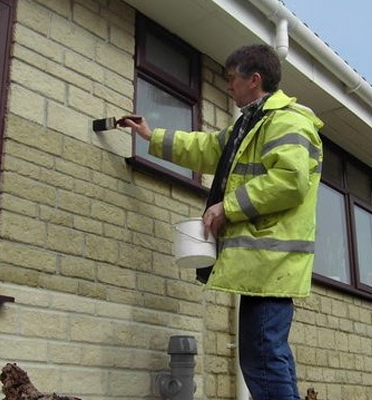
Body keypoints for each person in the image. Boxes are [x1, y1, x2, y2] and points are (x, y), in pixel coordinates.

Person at [124, 44, 323, 400]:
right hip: (262, 265)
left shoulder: (288, 121)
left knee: (262, 357)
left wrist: (226, 207)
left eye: (232, 79)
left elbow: (290, 181)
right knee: (268, 355)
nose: (228, 86)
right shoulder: (249, 124)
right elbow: (205, 148)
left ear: (255, 79)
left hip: (272, 262)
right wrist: (151, 136)